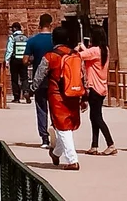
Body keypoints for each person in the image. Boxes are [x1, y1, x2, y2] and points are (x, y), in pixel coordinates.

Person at [31, 24, 83, 171]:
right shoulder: (75, 55)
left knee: (62, 126)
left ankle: (72, 160)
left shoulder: (50, 56)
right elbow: (82, 75)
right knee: (66, 126)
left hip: (56, 95)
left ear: (53, 40)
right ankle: (56, 153)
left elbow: (39, 75)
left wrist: (32, 89)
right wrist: (84, 96)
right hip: (73, 93)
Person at [76, 26, 116, 155]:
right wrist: (84, 48)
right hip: (102, 87)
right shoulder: (105, 50)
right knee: (94, 117)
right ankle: (94, 145)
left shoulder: (93, 51)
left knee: (96, 117)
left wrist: (78, 48)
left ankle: (111, 144)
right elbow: (90, 55)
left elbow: (78, 56)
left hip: (94, 87)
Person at [23, 14, 54, 148]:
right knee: (55, 109)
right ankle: (58, 136)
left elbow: (25, 60)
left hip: (39, 79)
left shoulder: (32, 41)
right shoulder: (55, 40)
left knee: (41, 109)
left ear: (39, 25)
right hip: (55, 79)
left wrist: (34, 60)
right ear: (51, 24)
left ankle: (45, 139)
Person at [5, 22, 29, 103]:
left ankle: (16, 97)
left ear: (15, 28)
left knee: (15, 79)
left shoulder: (12, 37)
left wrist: (7, 60)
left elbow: (10, 50)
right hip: (24, 59)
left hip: (15, 60)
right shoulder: (25, 37)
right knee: (24, 77)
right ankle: (26, 91)